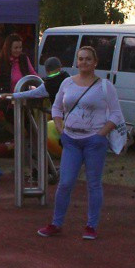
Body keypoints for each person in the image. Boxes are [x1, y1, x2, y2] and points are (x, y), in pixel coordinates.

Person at [38, 46, 124, 240]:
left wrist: (101, 134)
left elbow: (116, 114)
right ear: (76, 62)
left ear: (95, 62)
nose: (84, 62)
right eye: (81, 59)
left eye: (88, 59)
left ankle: (91, 225)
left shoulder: (105, 86)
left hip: (94, 141)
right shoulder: (67, 83)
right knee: (65, 182)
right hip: (71, 140)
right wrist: (60, 129)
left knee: (93, 183)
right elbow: (57, 107)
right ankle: (56, 223)